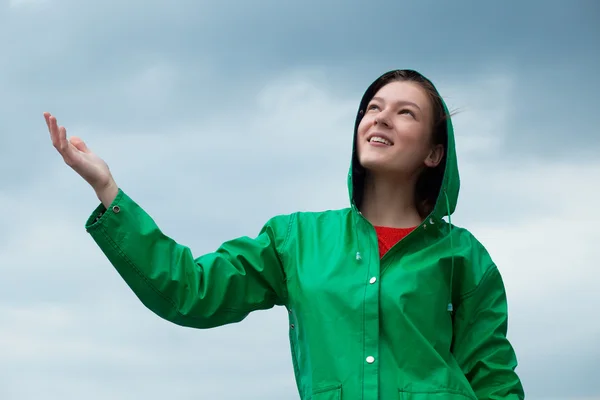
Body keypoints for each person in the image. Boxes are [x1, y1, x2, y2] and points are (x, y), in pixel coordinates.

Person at [44, 69, 525, 399]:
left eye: (405, 113)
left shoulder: (465, 259)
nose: (379, 117)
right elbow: (190, 291)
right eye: (373, 107)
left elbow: (495, 384)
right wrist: (107, 188)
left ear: (434, 154)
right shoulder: (295, 241)